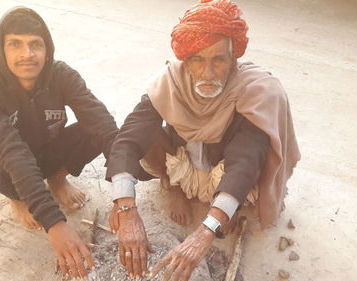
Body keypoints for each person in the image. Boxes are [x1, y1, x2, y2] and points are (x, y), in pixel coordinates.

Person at [105, 0, 301, 280]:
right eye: (197, 59)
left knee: (255, 159)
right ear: (185, 61)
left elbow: (245, 162)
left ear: (233, 59)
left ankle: (225, 205)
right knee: (145, 134)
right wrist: (125, 208)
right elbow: (128, 139)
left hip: (228, 163)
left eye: (218, 60)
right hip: (185, 158)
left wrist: (207, 229)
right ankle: (176, 188)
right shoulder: (169, 82)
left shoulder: (256, 90)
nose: (207, 74)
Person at [0, 7, 118, 279]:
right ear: (1, 49)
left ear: (48, 49)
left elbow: (103, 124)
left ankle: (57, 178)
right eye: (15, 44)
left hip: (48, 146)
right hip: (6, 162)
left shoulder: (62, 75)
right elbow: (13, 154)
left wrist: (124, 195)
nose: (27, 54)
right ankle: (18, 199)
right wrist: (54, 223)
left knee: (94, 129)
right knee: (0, 168)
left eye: (36, 44)